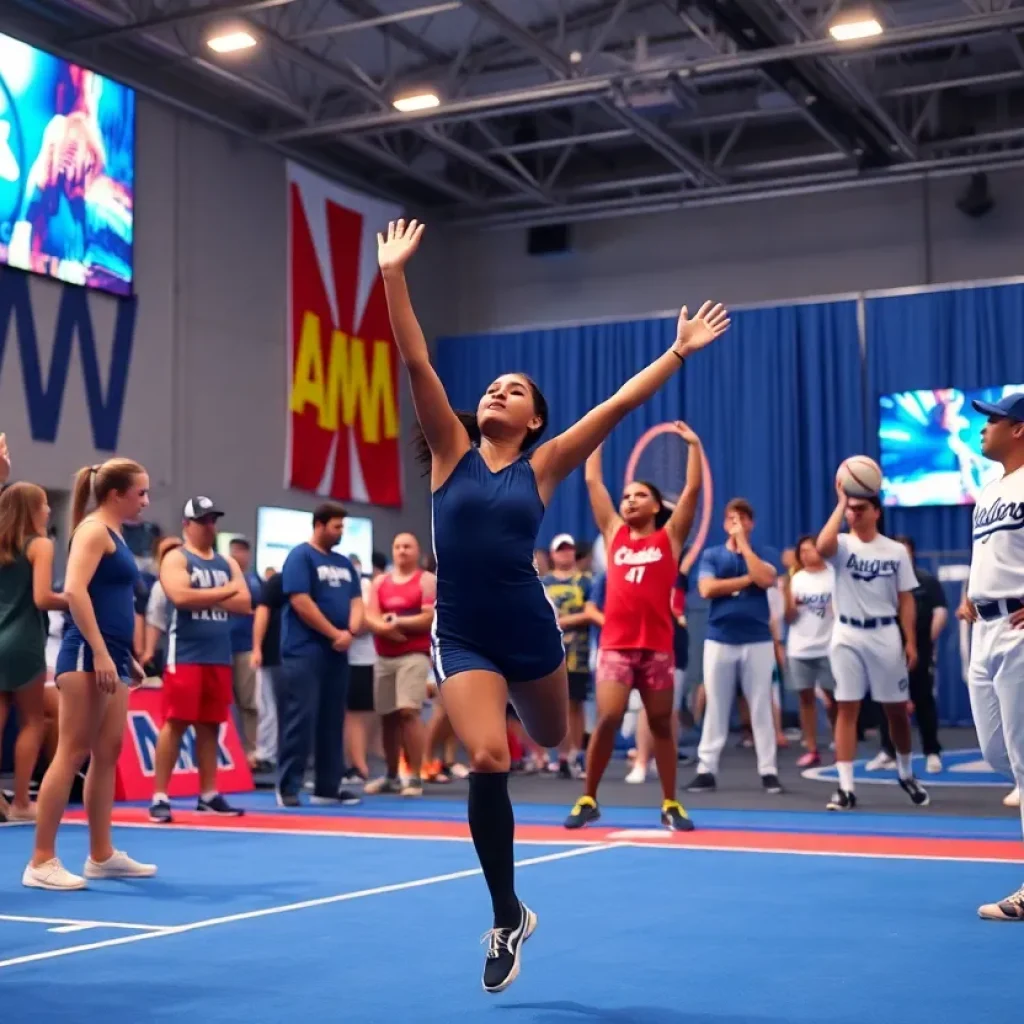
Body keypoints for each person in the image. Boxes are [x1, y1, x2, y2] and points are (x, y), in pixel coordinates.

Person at [378, 215, 729, 993]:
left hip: (531, 635)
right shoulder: (450, 452)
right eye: (491, 387)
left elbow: (619, 404)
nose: (496, 392)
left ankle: (543, 767)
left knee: (548, 734)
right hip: (463, 635)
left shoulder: (542, 466)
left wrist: (677, 351)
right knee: (488, 757)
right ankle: (507, 915)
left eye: (514, 391)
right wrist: (394, 274)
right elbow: (415, 357)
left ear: (534, 419)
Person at [565, 423, 702, 831]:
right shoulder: (614, 535)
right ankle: (588, 798)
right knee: (607, 718)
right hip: (616, 647)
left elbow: (692, 491)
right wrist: (596, 438)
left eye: (639, 495)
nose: (629, 501)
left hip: (657, 648)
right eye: (626, 496)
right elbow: (593, 481)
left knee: (661, 724)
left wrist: (694, 446)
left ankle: (671, 803)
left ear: (657, 506)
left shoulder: (670, 538)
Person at [24, 459, 155, 890]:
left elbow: (107, 598)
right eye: (140, 493)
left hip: (111, 656)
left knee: (107, 752)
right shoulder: (93, 531)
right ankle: (41, 860)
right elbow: (75, 591)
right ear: (116, 494)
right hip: (85, 654)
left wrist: (124, 656)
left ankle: (101, 854)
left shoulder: (115, 533)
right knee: (72, 751)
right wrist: (99, 651)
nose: (146, 501)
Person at [815, 485, 929, 811]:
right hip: (847, 632)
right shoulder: (841, 544)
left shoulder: (895, 551)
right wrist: (840, 503)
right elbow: (821, 547)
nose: (854, 513)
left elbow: (906, 597)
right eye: (851, 509)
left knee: (896, 711)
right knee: (846, 707)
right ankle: (845, 787)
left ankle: (905, 773)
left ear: (877, 512)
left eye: (861, 508)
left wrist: (910, 640)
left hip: (884, 632)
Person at [956, 391, 1024, 920]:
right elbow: (988, 552)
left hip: (1019, 626)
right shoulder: (990, 488)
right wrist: (970, 593)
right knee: (997, 753)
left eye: (994, 420)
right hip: (985, 627)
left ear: (1018, 429)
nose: (983, 427)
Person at [149, 498, 251, 823]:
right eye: (203, 520)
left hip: (218, 656)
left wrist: (205, 595)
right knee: (176, 722)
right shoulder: (177, 558)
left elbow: (245, 603)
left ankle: (208, 794)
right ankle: (160, 795)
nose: (210, 526)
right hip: (186, 654)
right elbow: (181, 597)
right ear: (187, 525)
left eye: (212, 520)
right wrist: (226, 592)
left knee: (211, 725)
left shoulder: (226, 562)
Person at [687, 499, 783, 794]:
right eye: (731, 519)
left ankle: (768, 770)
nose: (736, 523)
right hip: (720, 638)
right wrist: (745, 580)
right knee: (716, 705)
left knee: (761, 706)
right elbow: (707, 588)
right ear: (723, 523)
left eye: (741, 519)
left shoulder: (765, 553)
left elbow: (765, 578)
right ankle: (706, 769)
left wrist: (743, 545)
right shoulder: (712, 555)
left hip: (758, 639)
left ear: (751, 523)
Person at [275, 502, 364, 808]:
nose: (341, 533)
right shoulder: (300, 556)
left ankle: (328, 787)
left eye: (342, 527)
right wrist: (333, 633)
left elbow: (357, 601)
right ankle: (288, 786)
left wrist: (350, 631)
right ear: (319, 525)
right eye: (336, 527)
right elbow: (301, 601)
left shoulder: (344, 563)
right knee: (301, 718)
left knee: (332, 720)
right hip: (304, 651)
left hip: (337, 654)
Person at [0, 484, 68, 820]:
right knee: (32, 720)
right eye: (44, 504)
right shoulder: (40, 544)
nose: (49, 509)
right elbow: (43, 598)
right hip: (23, 640)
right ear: (31, 509)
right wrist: (76, 599)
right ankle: (22, 803)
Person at [867, 535, 947, 773]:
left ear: (911, 554)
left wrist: (925, 642)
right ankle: (888, 751)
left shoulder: (926, 581)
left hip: (919, 647)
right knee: (886, 700)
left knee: (923, 699)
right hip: (887, 645)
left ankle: (931, 752)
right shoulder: (881, 581)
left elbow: (940, 612)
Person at [364, 533, 436, 797]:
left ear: (417, 552)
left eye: (407, 546)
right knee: (388, 716)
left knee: (408, 712)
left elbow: (429, 618)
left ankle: (414, 776)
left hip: (414, 655)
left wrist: (398, 622)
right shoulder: (380, 582)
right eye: (397, 546)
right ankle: (391, 775)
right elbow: (370, 616)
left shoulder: (426, 581)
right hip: (384, 656)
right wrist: (386, 628)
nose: (402, 551)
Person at [782, 534, 838, 768]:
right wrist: (790, 603)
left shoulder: (834, 576)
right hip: (800, 648)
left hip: (829, 647)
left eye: (809, 550)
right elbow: (788, 618)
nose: (804, 554)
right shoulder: (796, 579)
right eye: (801, 551)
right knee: (805, 698)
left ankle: (840, 745)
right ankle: (812, 748)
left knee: (834, 698)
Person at [541, 534, 593, 778]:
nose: (565, 553)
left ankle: (576, 754)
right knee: (555, 704)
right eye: (560, 549)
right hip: (548, 651)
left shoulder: (586, 582)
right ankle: (562, 755)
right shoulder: (542, 584)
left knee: (575, 703)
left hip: (578, 652)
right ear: (552, 555)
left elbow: (592, 613)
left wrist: (559, 622)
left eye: (569, 548)